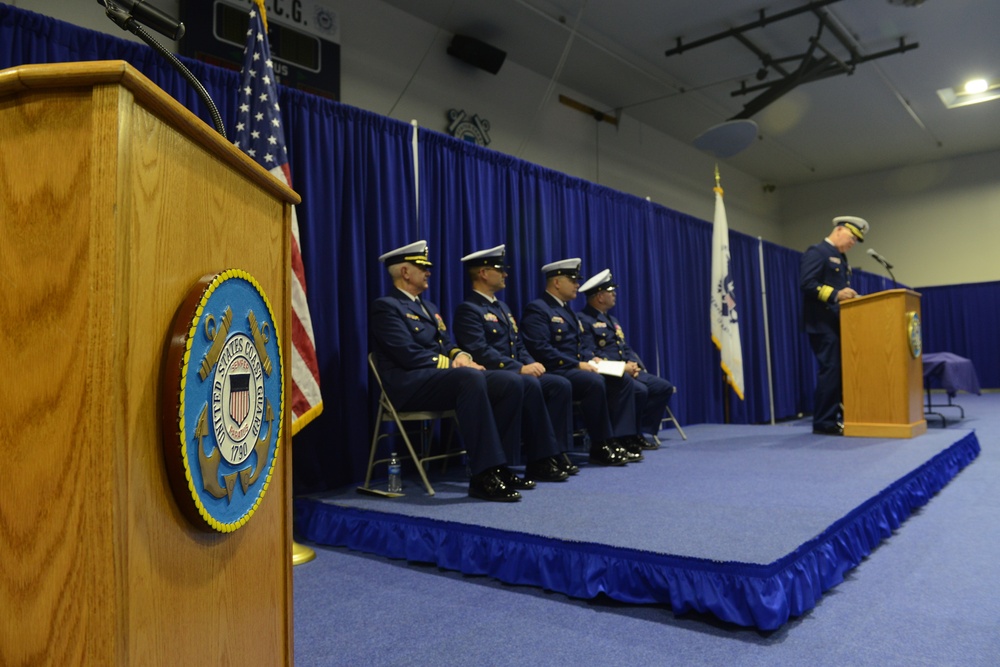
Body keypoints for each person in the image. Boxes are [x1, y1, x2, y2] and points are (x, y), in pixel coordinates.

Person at [369, 240, 527, 501]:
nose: (429, 272)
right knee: (469, 377)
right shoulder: (386, 307)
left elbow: (447, 345)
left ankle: (501, 466)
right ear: (405, 272)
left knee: (509, 382)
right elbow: (407, 354)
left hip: (438, 380)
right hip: (408, 385)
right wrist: (455, 364)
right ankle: (482, 474)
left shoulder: (427, 307)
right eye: (423, 267)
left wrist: (461, 355)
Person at [453, 244, 576, 482]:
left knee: (558, 384)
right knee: (525, 384)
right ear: (484, 273)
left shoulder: (502, 307)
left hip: (514, 373)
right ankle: (508, 463)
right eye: (500, 269)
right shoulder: (469, 309)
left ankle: (549, 455)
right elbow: (480, 351)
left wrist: (532, 364)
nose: (506, 274)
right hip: (492, 375)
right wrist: (519, 368)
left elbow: (518, 345)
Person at [520, 258, 645, 466]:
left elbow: (579, 346)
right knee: (593, 382)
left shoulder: (567, 310)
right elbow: (540, 348)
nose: (577, 284)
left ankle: (617, 439)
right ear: (557, 282)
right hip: (555, 369)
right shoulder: (538, 309)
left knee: (619, 379)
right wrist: (577, 364)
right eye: (572, 280)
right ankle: (598, 444)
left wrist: (590, 358)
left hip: (575, 367)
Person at [578, 269, 674, 447]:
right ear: (599, 296)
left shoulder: (612, 320)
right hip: (609, 372)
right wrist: (621, 368)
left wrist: (633, 364)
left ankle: (639, 431)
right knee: (640, 390)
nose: (614, 294)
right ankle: (623, 436)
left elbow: (624, 347)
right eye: (610, 291)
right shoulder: (583, 320)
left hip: (628, 370)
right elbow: (590, 353)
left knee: (663, 387)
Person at [800, 216, 869, 435]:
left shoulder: (841, 257)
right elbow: (807, 284)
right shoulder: (817, 252)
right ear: (839, 230)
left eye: (857, 241)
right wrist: (837, 294)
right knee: (830, 371)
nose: (853, 243)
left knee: (839, 372)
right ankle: (824, 422)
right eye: (852, 237)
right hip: (822, 323)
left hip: (838, 323)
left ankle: (839, 417)